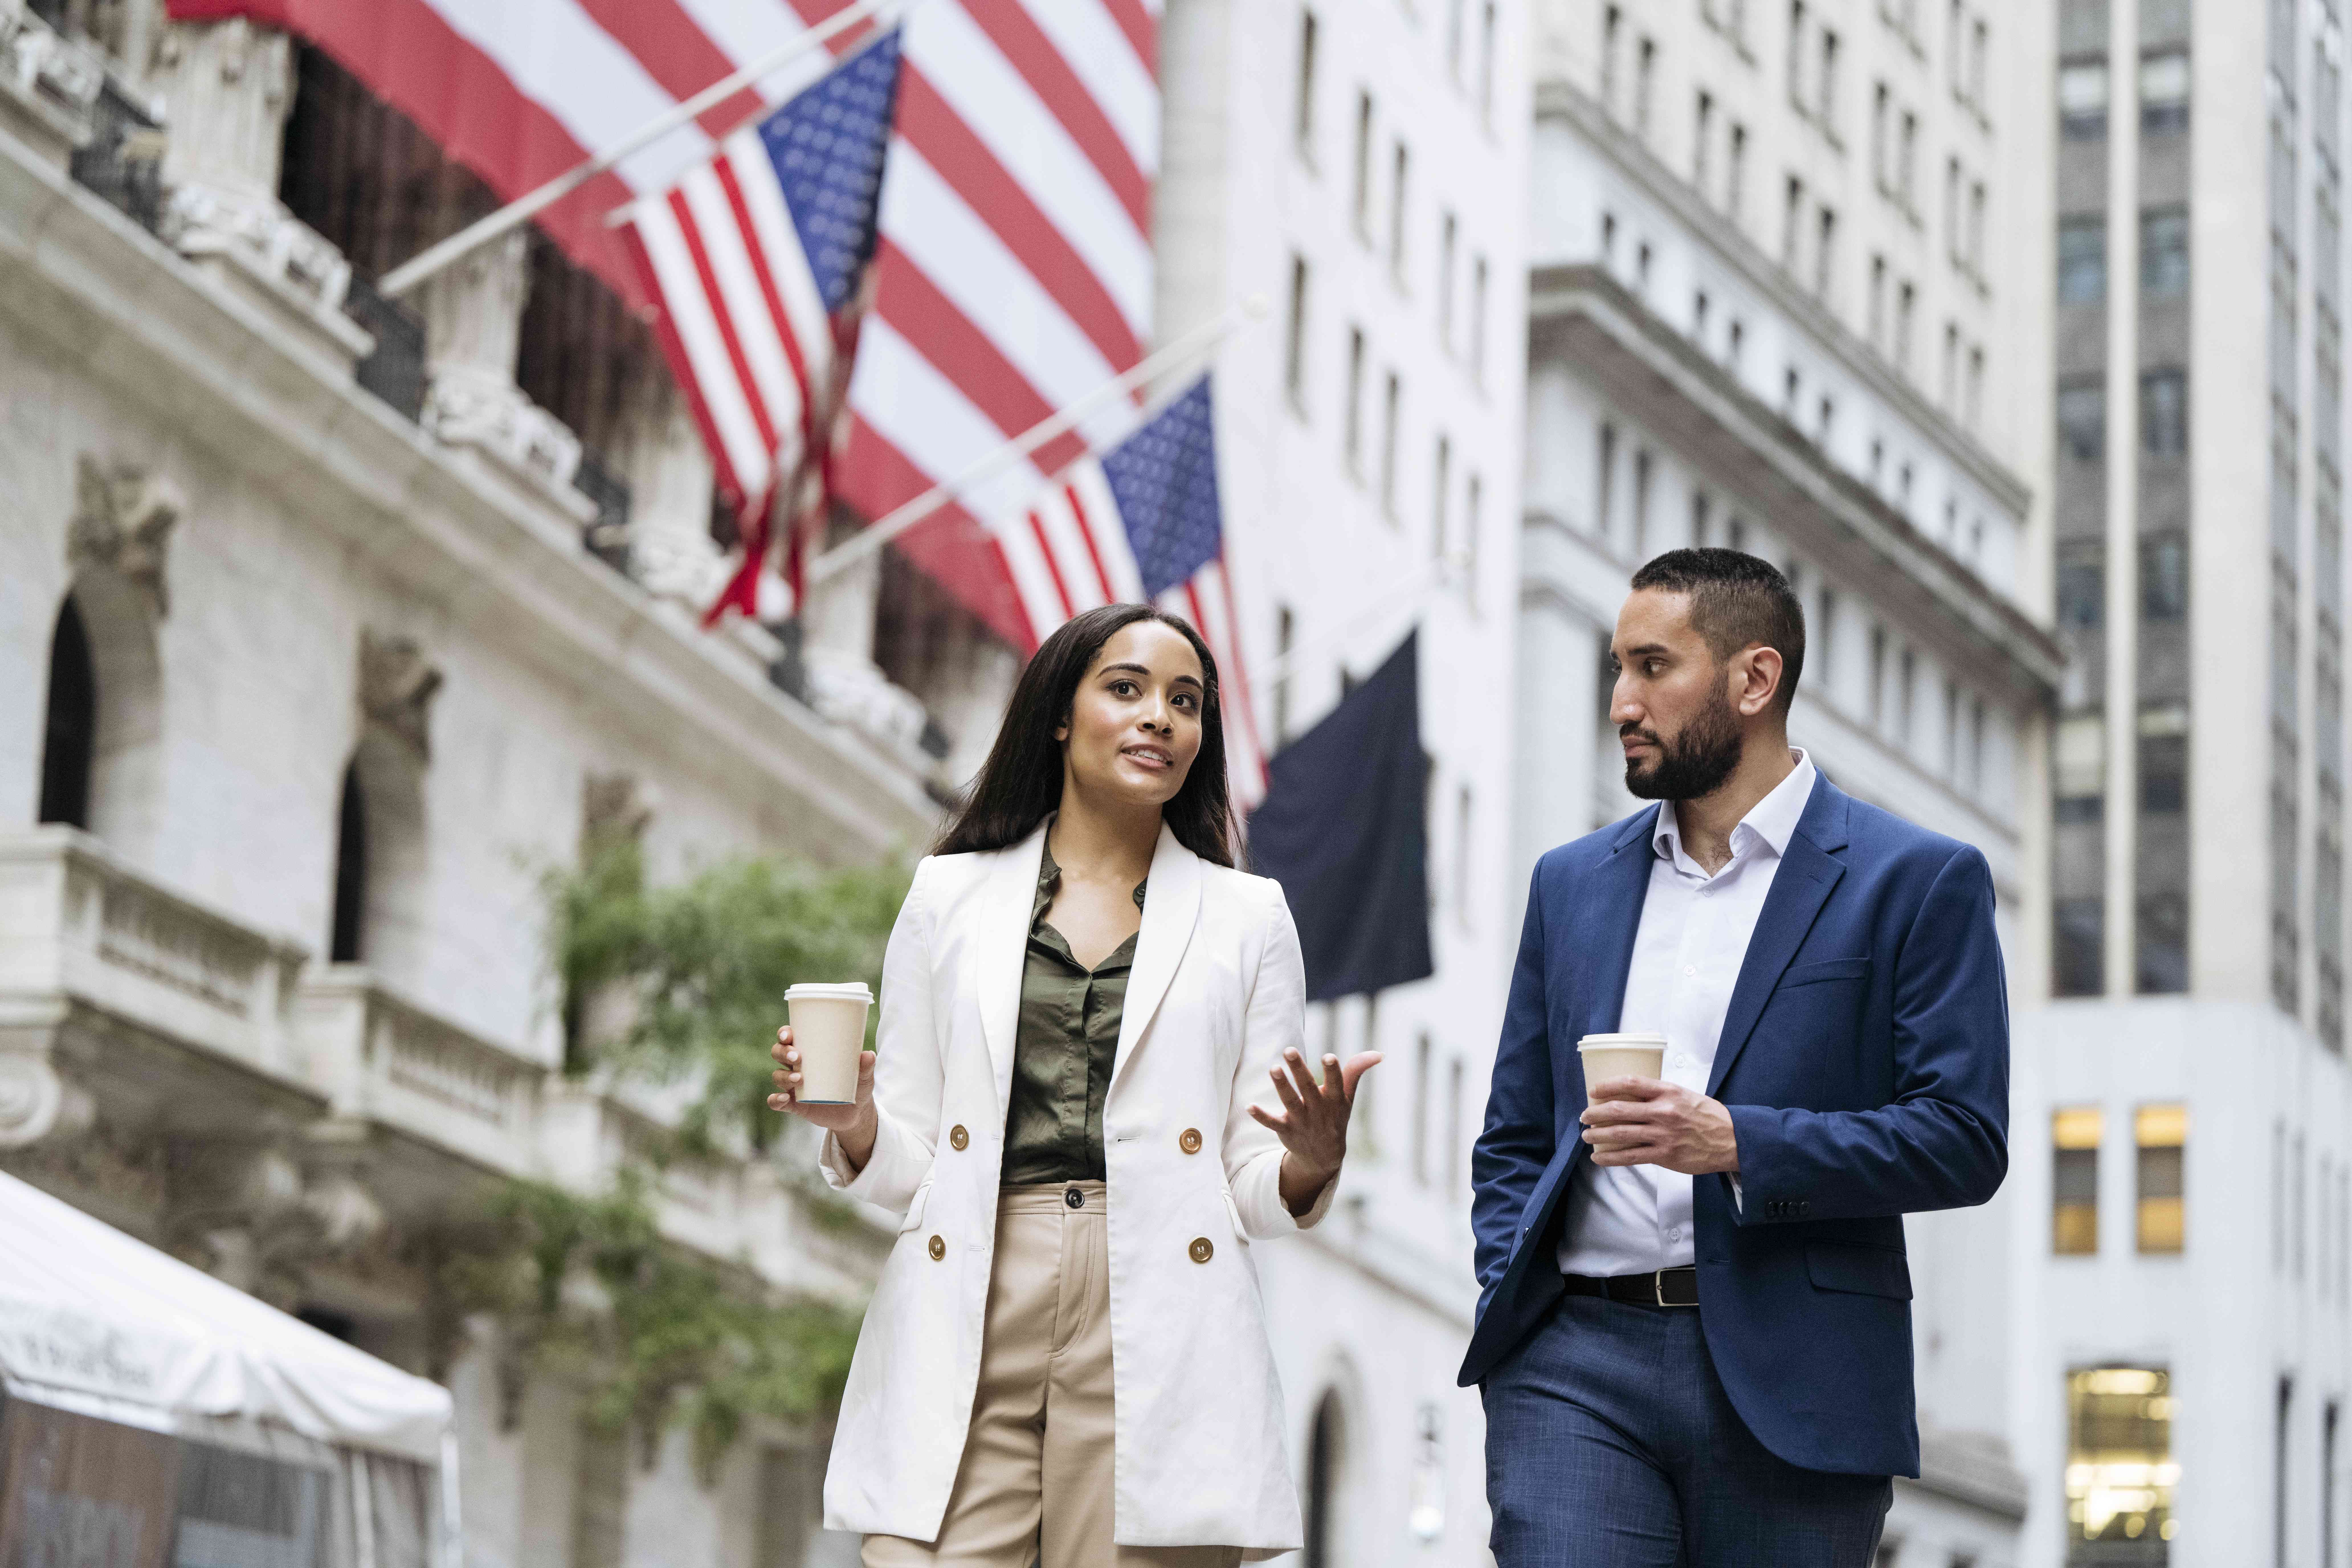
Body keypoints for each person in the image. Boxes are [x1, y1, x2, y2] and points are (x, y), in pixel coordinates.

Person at [767, 603, 1379, 1568]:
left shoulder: (1249, 917)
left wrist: (1309, 1164)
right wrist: (854, 1123)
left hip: (1159, 1306)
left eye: (1186, 703)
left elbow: (1249, 1185)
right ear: (1061, 713)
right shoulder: (949, 896)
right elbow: (909, 1167)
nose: (1160, 720)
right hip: (977, 1282)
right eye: (1127, 690)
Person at [1465, 549, 2009, 1565]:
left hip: (1797, 1377)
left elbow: (1964, 1139)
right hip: (1574, 1364)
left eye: (1654, 668)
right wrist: (1510, 1291)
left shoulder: (1919, 882)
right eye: (1617, 668)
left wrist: (1735, 1141)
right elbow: (1513, 1135)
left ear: (1755, 681)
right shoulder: (1572, 883)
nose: (1623, 700)